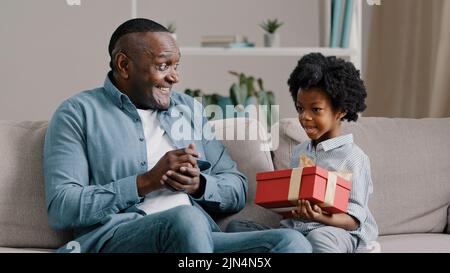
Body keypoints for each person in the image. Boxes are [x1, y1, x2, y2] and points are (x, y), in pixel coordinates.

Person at [44, 18, 312, 253]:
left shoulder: (189, 111)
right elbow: (62, 207)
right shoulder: (77, 113)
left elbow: (236, 186)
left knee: (291, 243)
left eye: (176, 65)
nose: (175, 77)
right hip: (119, 238)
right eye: (163, 66)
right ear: (124, 65)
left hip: (199, 240)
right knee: (186, 219)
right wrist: (146, 181)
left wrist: (199, 185)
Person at [227, 53, 378, 253]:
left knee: (319, 237)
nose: (304, 117)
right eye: (300, 108)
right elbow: (290, 206)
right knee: (237, 228)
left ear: (340, 110)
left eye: (315, 110)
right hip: (297, 232)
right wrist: (286, 207)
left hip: (335, 231)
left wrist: (319, 217)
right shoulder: (300, 152)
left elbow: (354, 221)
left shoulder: (353, 157)